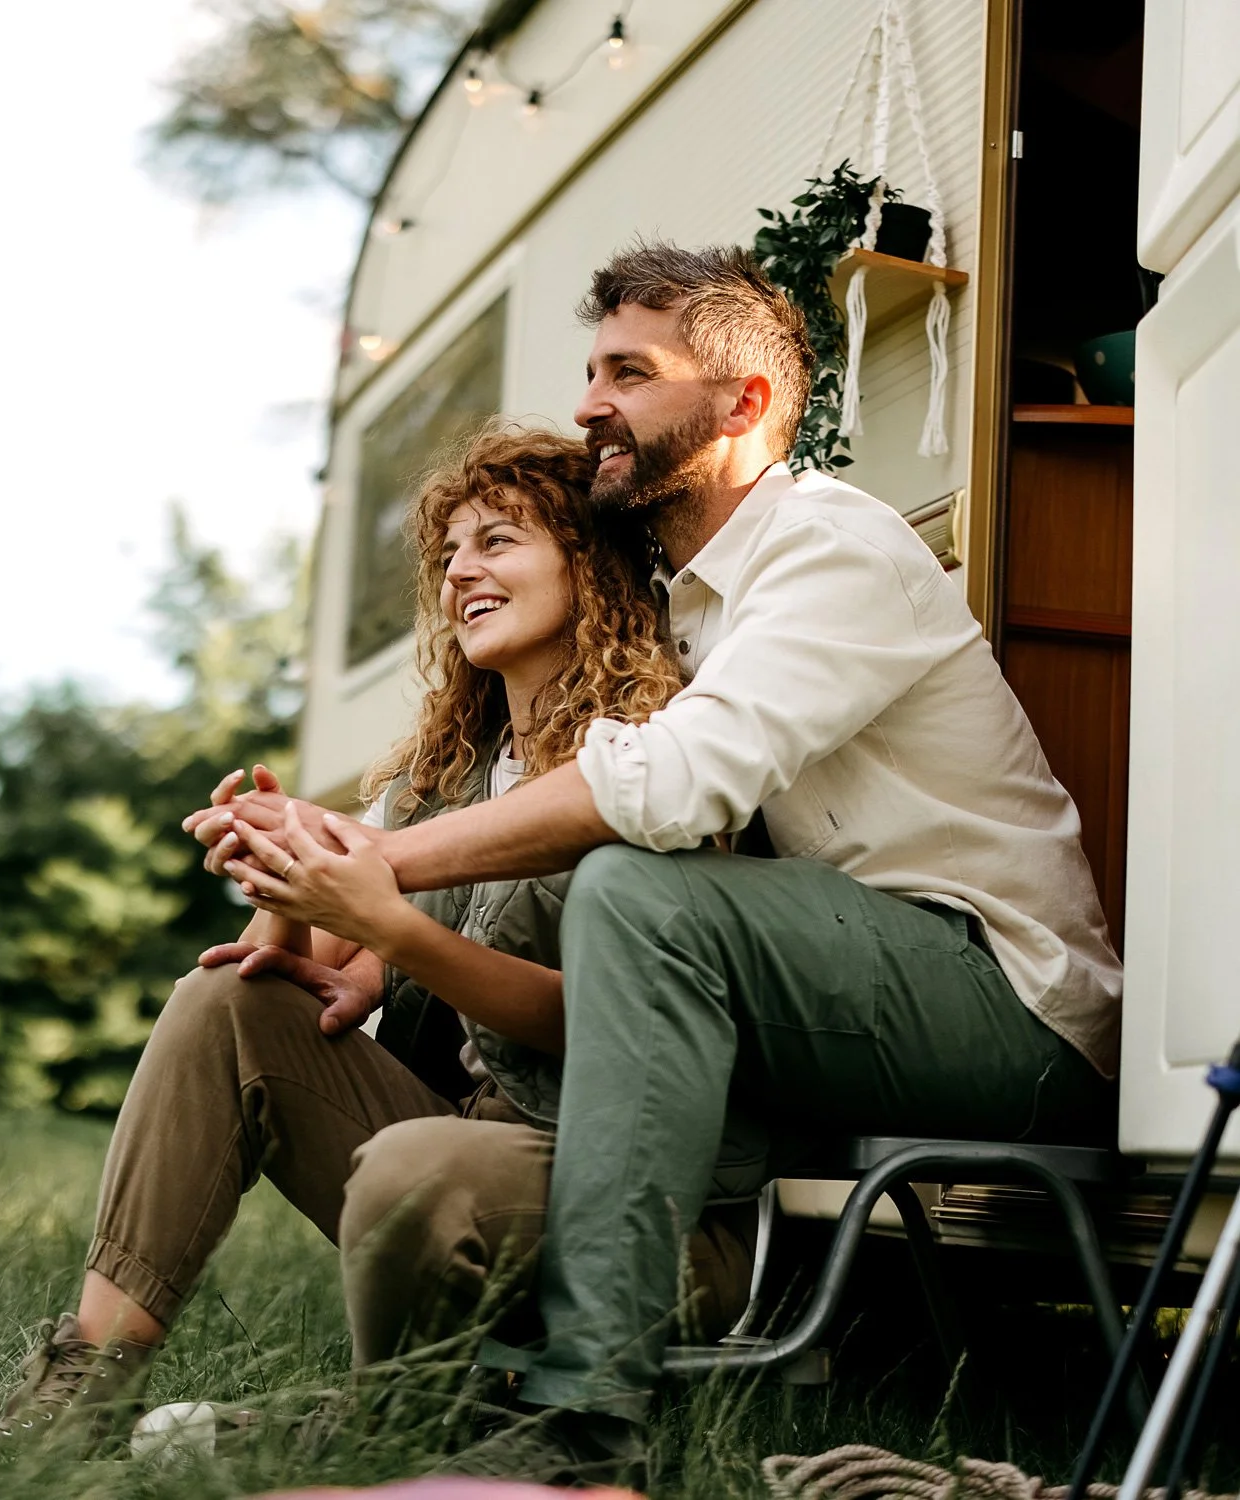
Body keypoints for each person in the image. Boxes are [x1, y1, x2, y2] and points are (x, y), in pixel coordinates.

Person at [197, 242, 1123, 1487]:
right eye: (591, 371)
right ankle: (463, 1410)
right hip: (836, 1002)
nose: (590, 405)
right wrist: (333, 913)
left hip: (1003, 1003)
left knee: (646, 888)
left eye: (630, 372)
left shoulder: (827, 548)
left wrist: (379, 862)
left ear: (744, 406)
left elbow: (677, 784)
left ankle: (582, 1436)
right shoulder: (685, 603)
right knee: (626, 907)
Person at [0, 423, 757, 1462]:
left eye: (500, 541)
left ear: (589, 567)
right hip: (463, 1145)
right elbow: (284, 975)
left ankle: (385, 1427)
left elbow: (614, 1022)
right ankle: (73, 1405)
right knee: (221, 1003)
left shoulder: (661, 760)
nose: (463, 568)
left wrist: (394, 927)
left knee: (419, 1163)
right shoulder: (444, 775)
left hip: (651, 1206)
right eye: (453, 551)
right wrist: (286, 870)